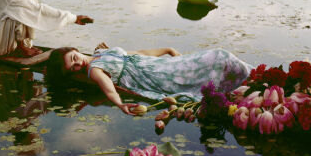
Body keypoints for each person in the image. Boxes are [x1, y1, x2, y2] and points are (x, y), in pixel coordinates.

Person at [45, 46, 252, 116]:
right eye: (72, 68)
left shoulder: (100, 53)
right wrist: (119, 104)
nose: (77, 63)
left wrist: (166, 50)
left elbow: (135, 53)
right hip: (153, 77)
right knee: (217, 58)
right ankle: (249, 85)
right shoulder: (94, 70)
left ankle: (254, 77)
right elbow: (108, 89)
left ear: (74, 49)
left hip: (154, 64)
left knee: (218, 55)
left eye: (73, 58)